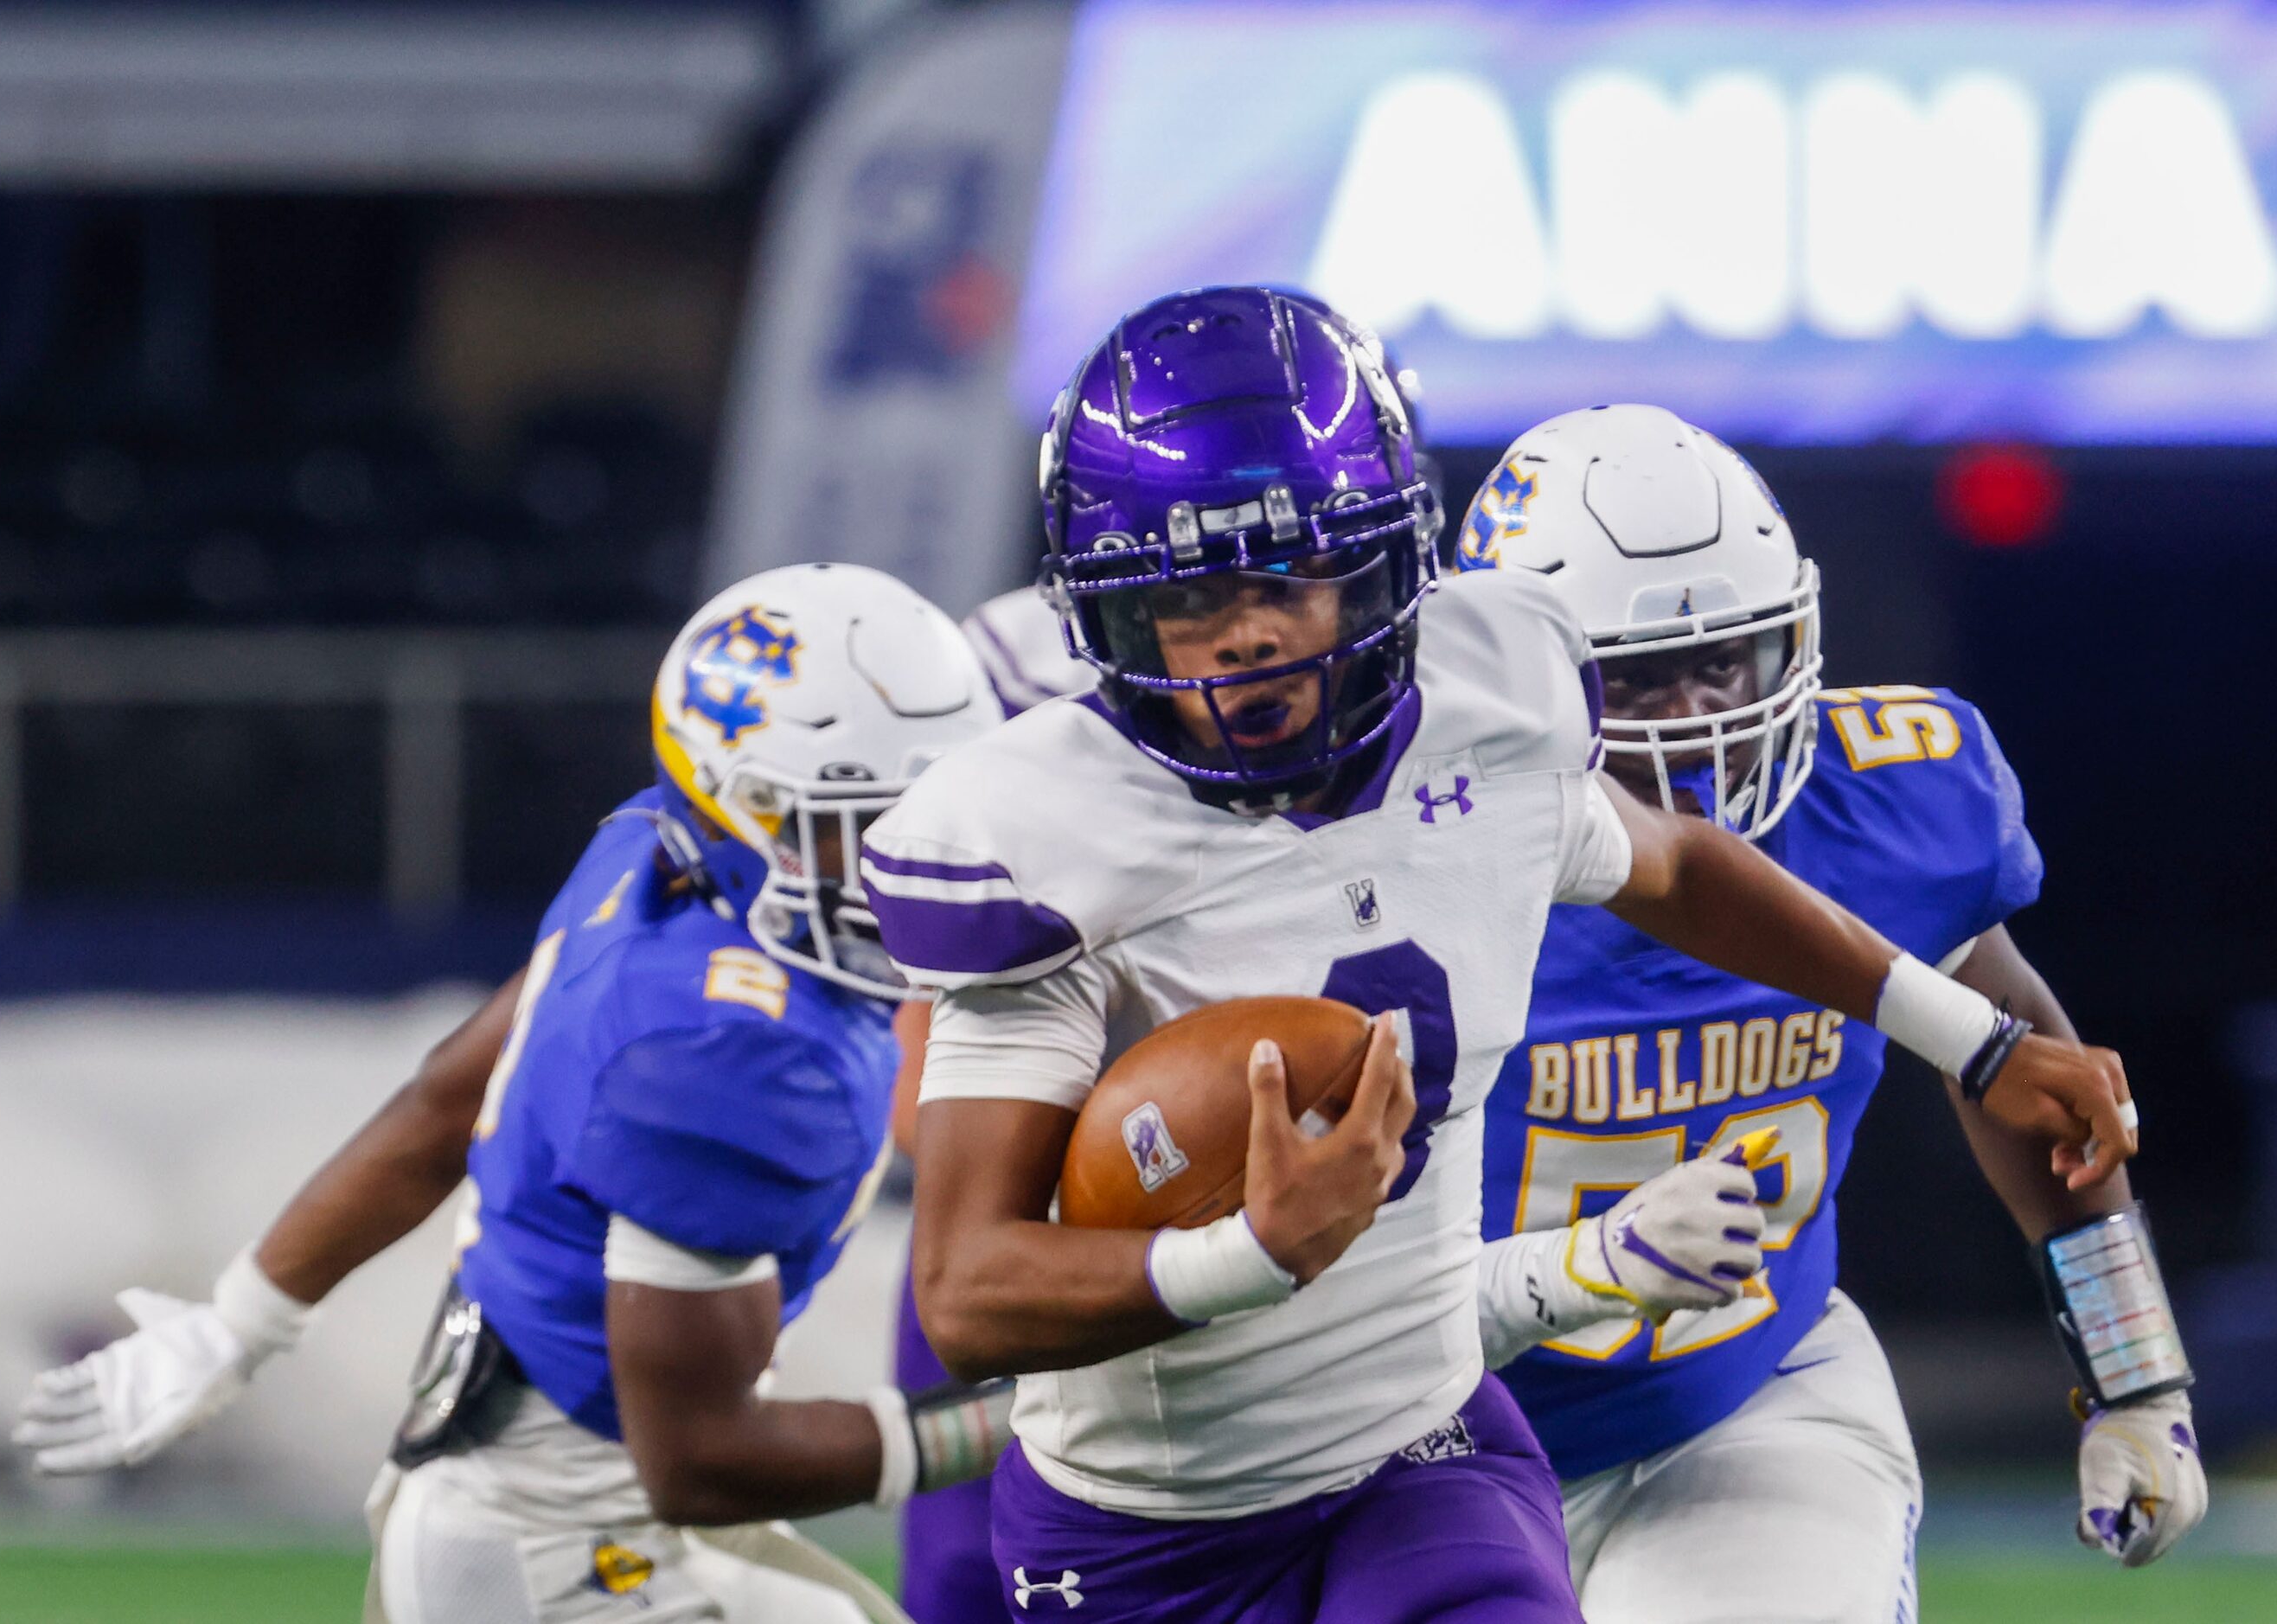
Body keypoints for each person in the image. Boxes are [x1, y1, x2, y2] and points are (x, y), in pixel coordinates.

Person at [856, 286, 2139, 1624]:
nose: (1246, 631)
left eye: (1290, 577)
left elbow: (1682, 865)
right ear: (1106, 620)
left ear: (1388, 568)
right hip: (1160, 1511)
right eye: (1189, 595)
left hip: (1448, 1441)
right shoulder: (1035, 841)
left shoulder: (1494, 717)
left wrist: (1974, 1042)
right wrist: (1255, 1245)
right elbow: (965, 1289)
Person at [13, 563, 1015, 1624]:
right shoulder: (729, 1054)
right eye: (861, 825)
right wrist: (1011, 1424)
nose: (910, 861)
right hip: (564, 1556)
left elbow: (448, 1096)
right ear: (744, 809)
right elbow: (703, 1462)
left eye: (933, 811)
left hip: (552, 1502)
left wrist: (239, 1322)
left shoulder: (648, 856)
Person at [1455, 404, 2205, 1621]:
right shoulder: (1407, 851)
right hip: (1428, 1424)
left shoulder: (1882, 808)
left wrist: (2134, 1377)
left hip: (1743, 1392)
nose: (1698, 713)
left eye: (1725, 659)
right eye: (1639, 676)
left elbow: (2015, 1051)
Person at [893, 583, 1092, 1624]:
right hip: (1021, 1232)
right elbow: (915, 1109)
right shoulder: (1005, 657)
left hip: (1213, 1242)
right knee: (966, 1583)